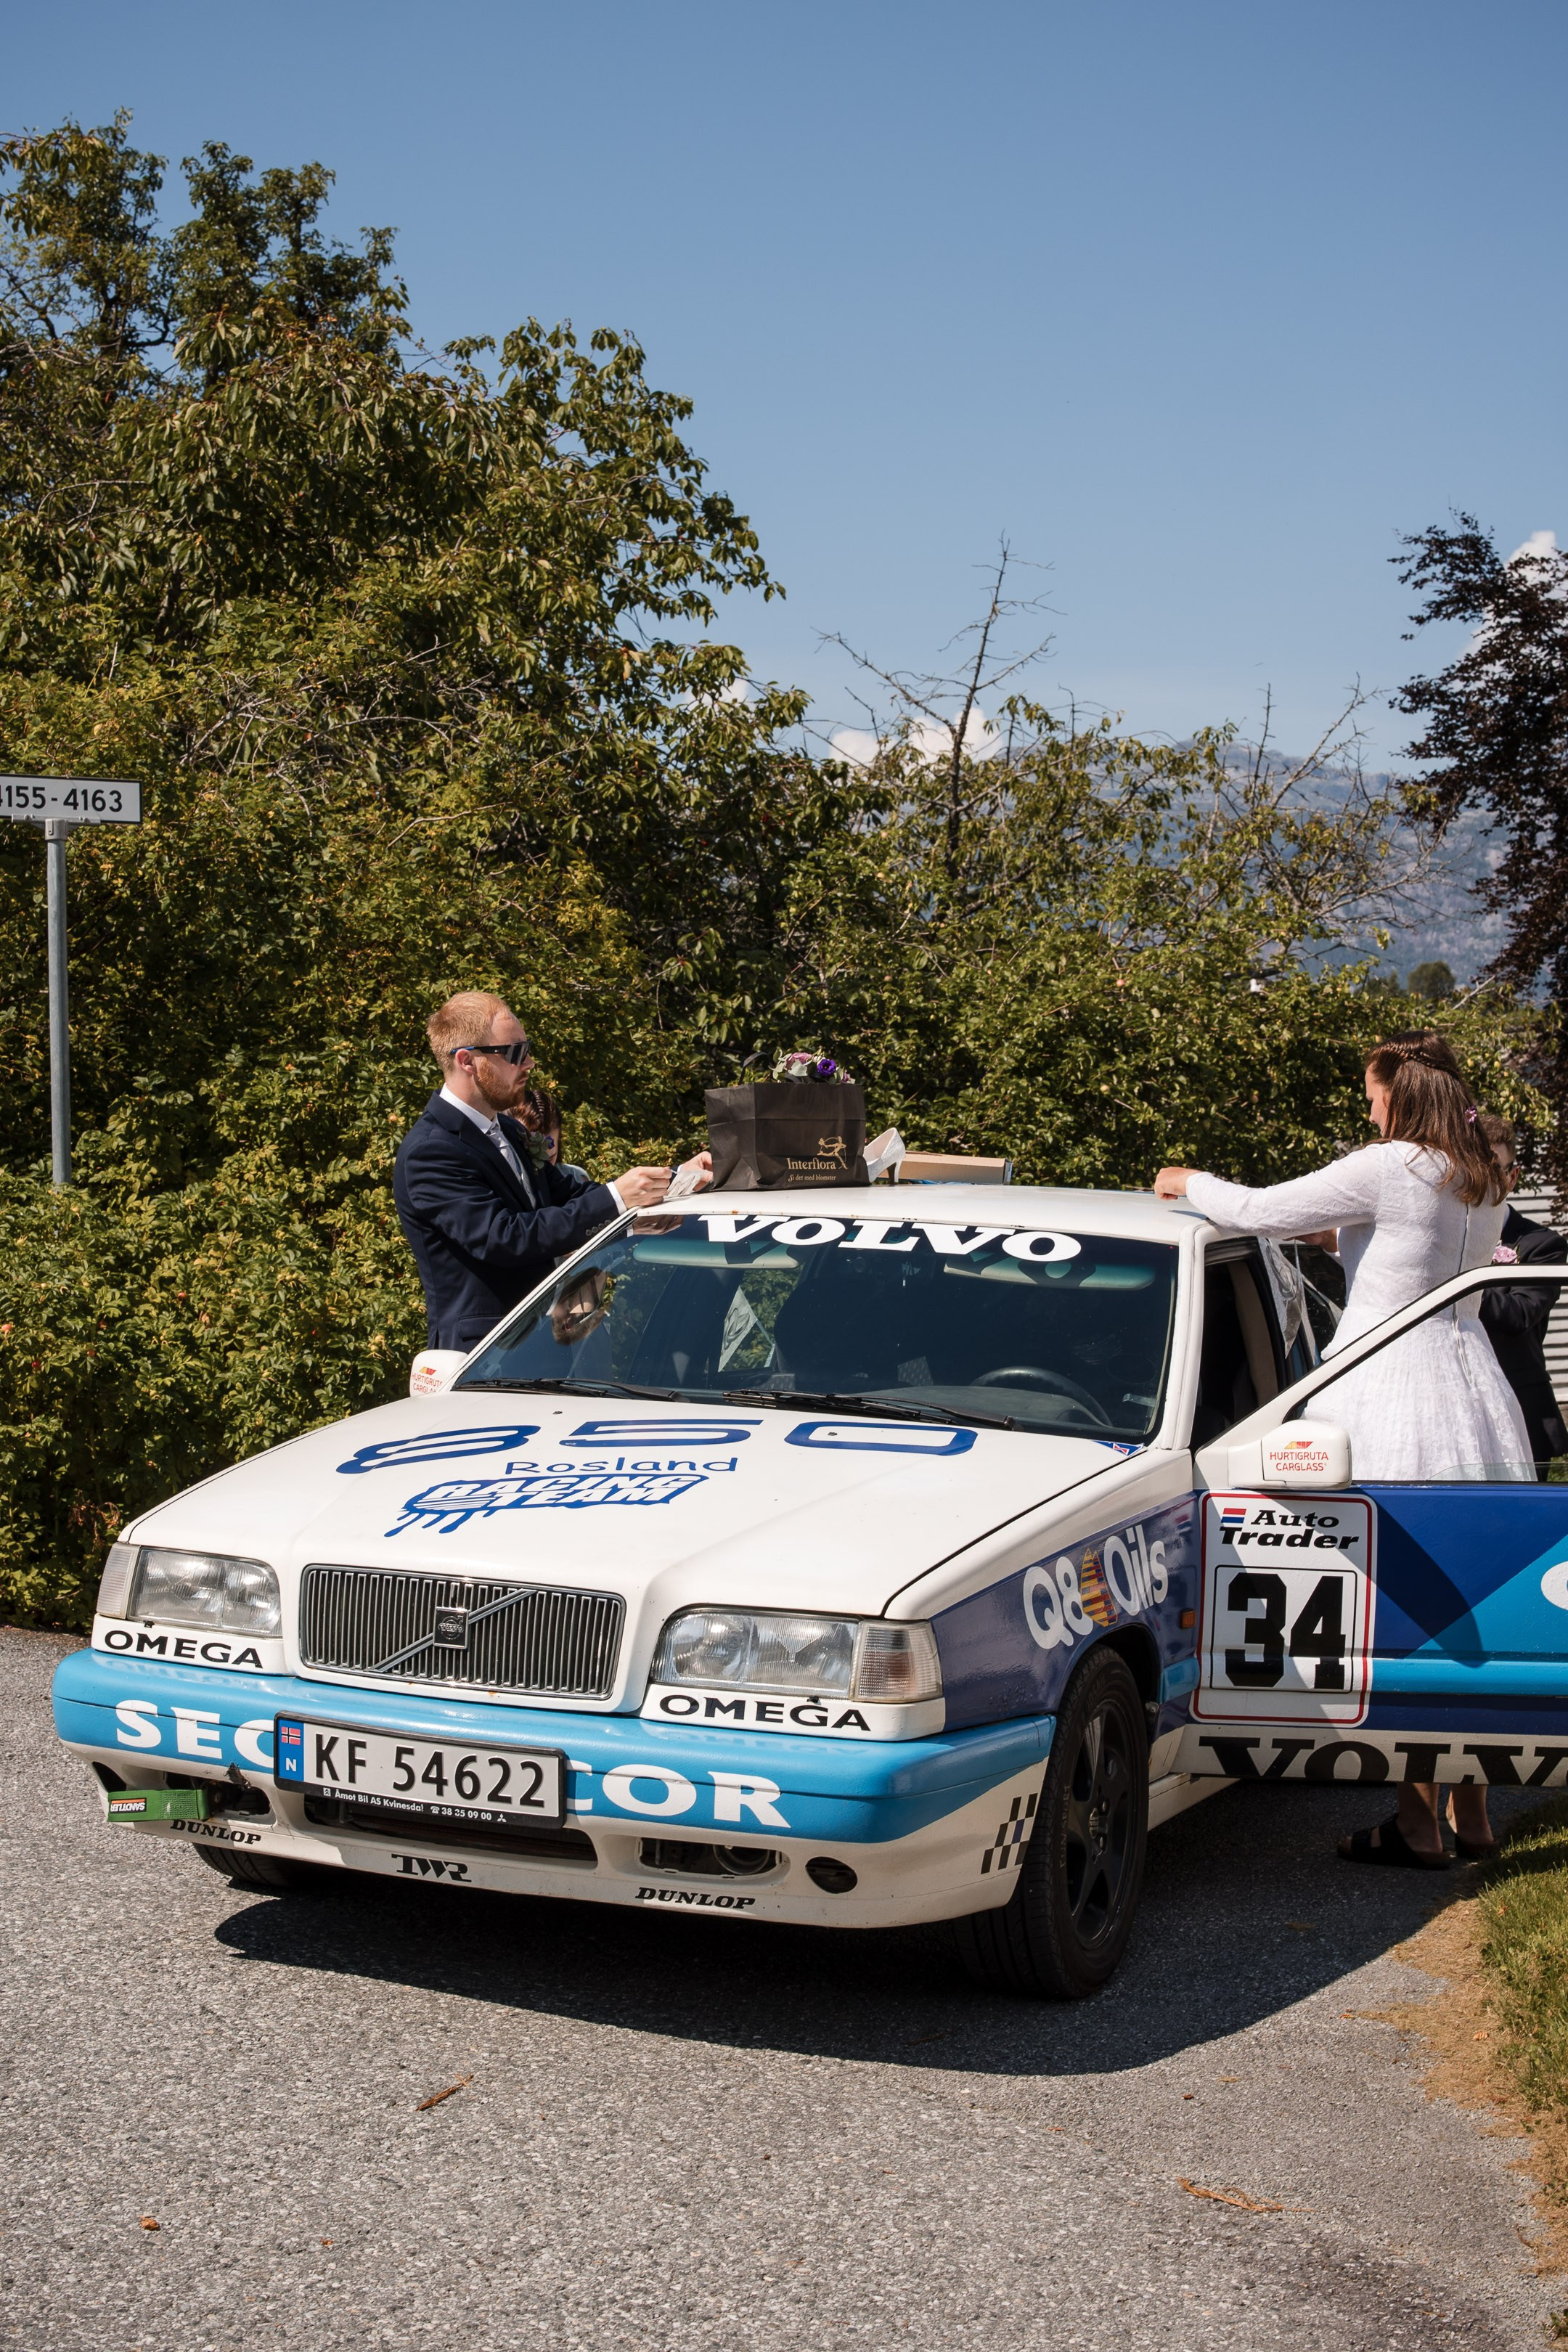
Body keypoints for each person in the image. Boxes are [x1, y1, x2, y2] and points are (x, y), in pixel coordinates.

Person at [1155, 1030, 1531, 1871]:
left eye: (1372, 1096)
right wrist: (1341, 1241)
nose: (1368, 1111)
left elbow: (1257, 1211)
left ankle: (1416, 1824)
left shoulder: (1390, 1165)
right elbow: (1406, 1248)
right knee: (1461, 1605)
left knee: (1401, 1615)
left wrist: (1187, 1182)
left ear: (1399, 1094)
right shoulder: (1478, 1170)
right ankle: (1472, 1815)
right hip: (1472, 1389)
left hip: (1390, 1387)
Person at [394, 991, 705, 1352]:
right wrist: (617, 1198)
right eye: (515, 1053)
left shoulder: (510, 1131)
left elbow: (572, 1197)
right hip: (482, 1353)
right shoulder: (431, 1151)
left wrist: (676, 1178)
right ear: (467, 1061)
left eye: (527, 1049)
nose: (529, 1063)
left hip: (538, 1342)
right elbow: (504, 1238)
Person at [1477, 1111, 1568, 1479]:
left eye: (1492, 1168)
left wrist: (1454, 1279)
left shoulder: (1542, 1245)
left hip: (1520, 1405)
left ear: (1512, 1176)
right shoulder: (1436, 1240)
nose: (1481, 1179)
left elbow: (1519, 1315)